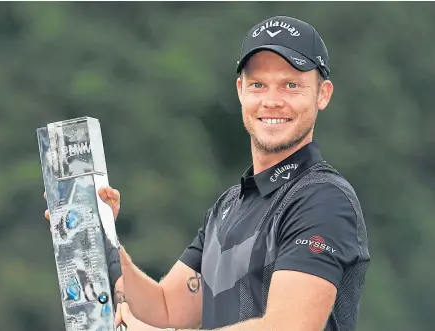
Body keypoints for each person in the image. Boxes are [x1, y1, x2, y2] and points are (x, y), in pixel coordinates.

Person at [45, 15, 370, 331]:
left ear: (322, 94)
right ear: (241, 90)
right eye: (259, 84)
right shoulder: (230, 205)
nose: (272, 101)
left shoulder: (322, 199)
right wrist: (99, 233)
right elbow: (167, 308)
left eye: (291, 85)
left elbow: (288, 327)